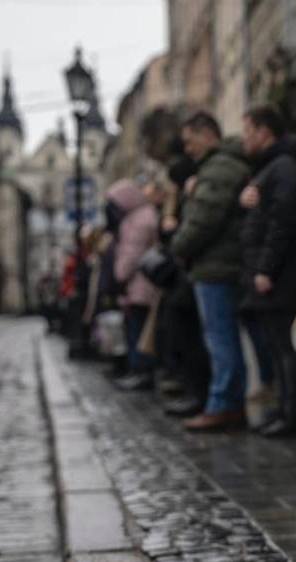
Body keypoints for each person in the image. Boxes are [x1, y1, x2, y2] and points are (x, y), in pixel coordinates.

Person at [237, 105, 296, 438]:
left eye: (247, 131)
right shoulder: (270, 167)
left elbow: (282, 221)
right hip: (273, 270)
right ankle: (284, 407)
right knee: (277, 345)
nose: (244, 139)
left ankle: (293, 413)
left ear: (264, 132)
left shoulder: (283, 166)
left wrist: (266, 267)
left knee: (287, 346)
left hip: (282, 273)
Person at [170, 111, 252, 432]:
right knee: (221, 337)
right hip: (218, 264)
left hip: (216, 266)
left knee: (220, 338)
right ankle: (228, 401)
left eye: (190, 141)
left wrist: (178, 246)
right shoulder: (219, 167)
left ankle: (224, 403)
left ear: (207, 135)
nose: (188, 148)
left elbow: (202, 220)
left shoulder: (218, 169)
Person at [158, 152, 211, 419]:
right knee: (181, 332)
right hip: (185, 276)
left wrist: (172, 232)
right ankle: (190, 388)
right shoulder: (180, 200)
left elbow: (188, 234)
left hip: (192, 273)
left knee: (194, 337)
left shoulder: (191, 197)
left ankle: (198, 393)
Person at [108, 178, 161, 392]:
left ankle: (141, 370)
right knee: (136, 329)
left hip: (141, 285)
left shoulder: (139, 219)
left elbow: (132, 253)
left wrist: (120, 274)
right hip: (138, 284)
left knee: (138, 330)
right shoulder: (140, 216)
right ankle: (138, 369)